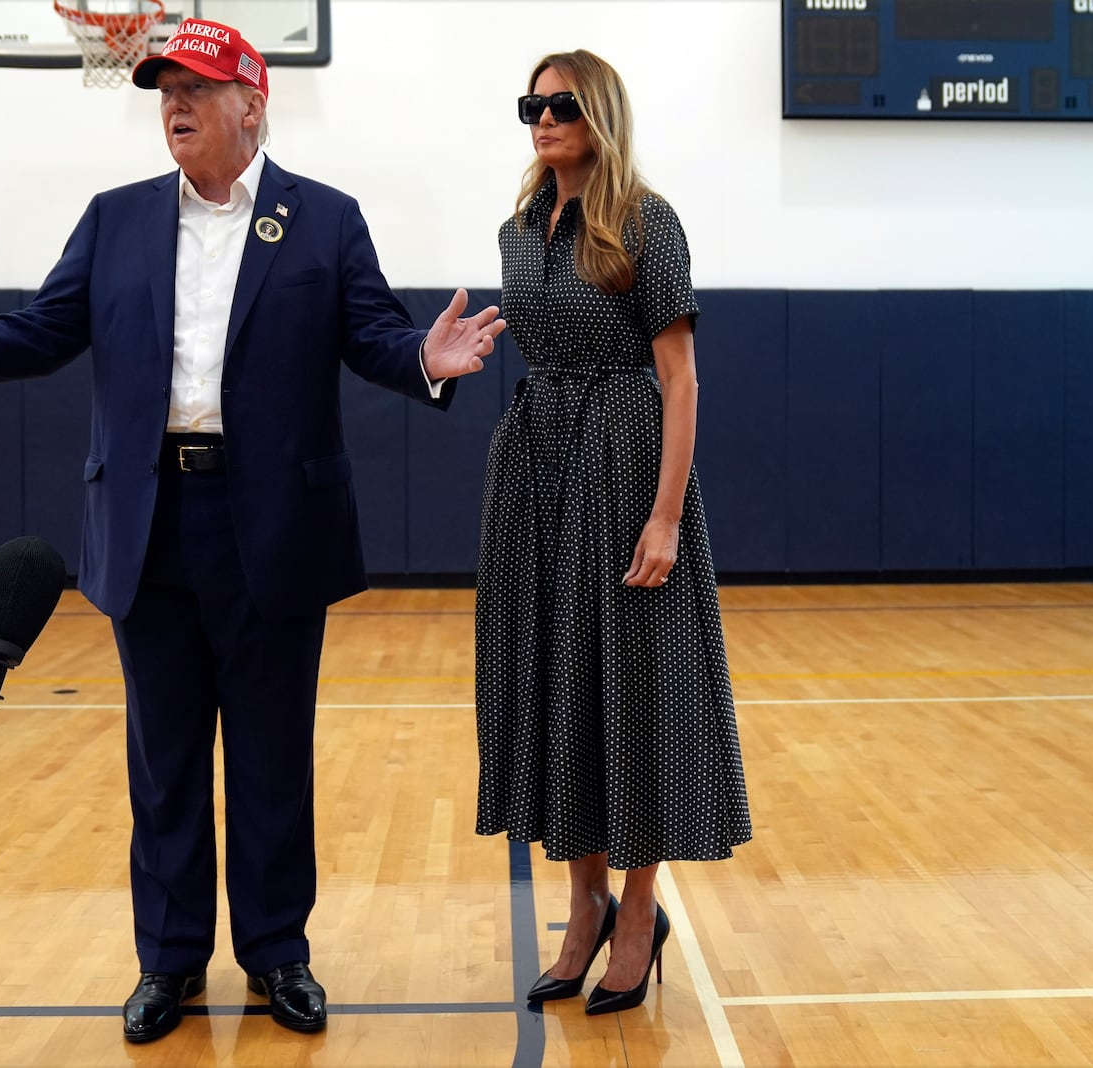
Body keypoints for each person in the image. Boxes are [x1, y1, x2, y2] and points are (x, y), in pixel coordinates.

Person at [0, 19, 505, 1043]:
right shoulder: (115, 219)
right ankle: (168, 960)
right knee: (164, 759)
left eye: (198, 90)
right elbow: (38, 330)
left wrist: (428, 363)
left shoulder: (326, 221)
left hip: (272, 524)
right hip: (150, 519)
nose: (174, 106)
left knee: (269, 758)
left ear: (252, 105)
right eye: (165, 91)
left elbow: (375, 338)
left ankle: (276, 954)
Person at [473, 49, 752, 1016]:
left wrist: (666, 514)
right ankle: (583, 900)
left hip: (627, 459)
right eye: (530, 106)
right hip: (538, 464)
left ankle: (640, 910)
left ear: (598, 113)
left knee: (633, 689)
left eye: (559, 105)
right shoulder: (519, 227)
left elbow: (679, 378)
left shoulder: (646, 218)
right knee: (559, 679)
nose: (541, 120)